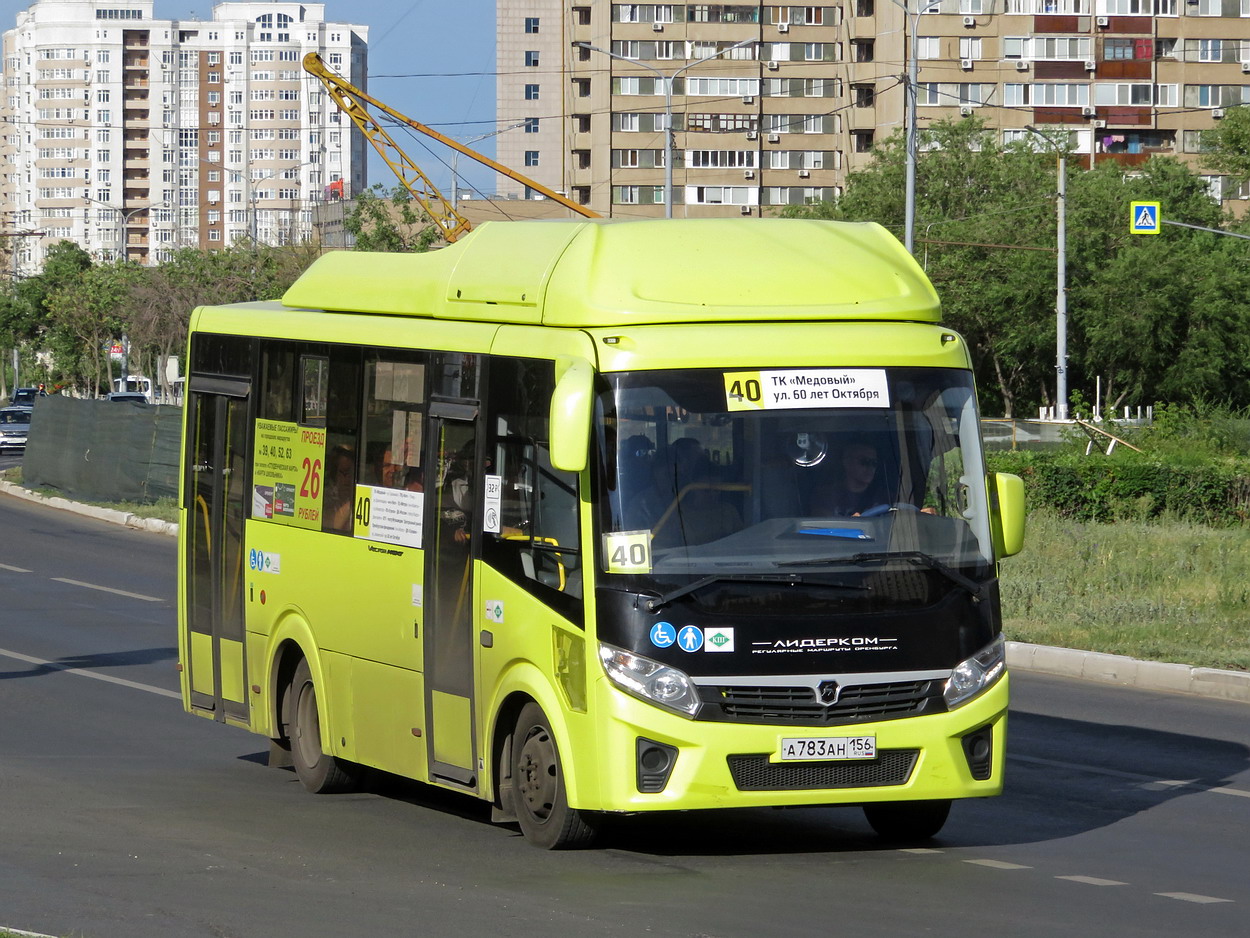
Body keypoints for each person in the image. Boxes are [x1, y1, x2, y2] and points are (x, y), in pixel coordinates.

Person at [812, 440, 885, 517]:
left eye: (874, 463)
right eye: (864, 461)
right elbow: (822, 526)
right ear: (847, 462)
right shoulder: (825, 496)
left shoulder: (885, 497)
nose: (870, 468)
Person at [323, 445, 356, 532]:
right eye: (344, 473)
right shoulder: (326, 498)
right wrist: (351, 505)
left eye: (352, 474)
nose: (348, 479)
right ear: (334, 474)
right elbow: (331, 528)